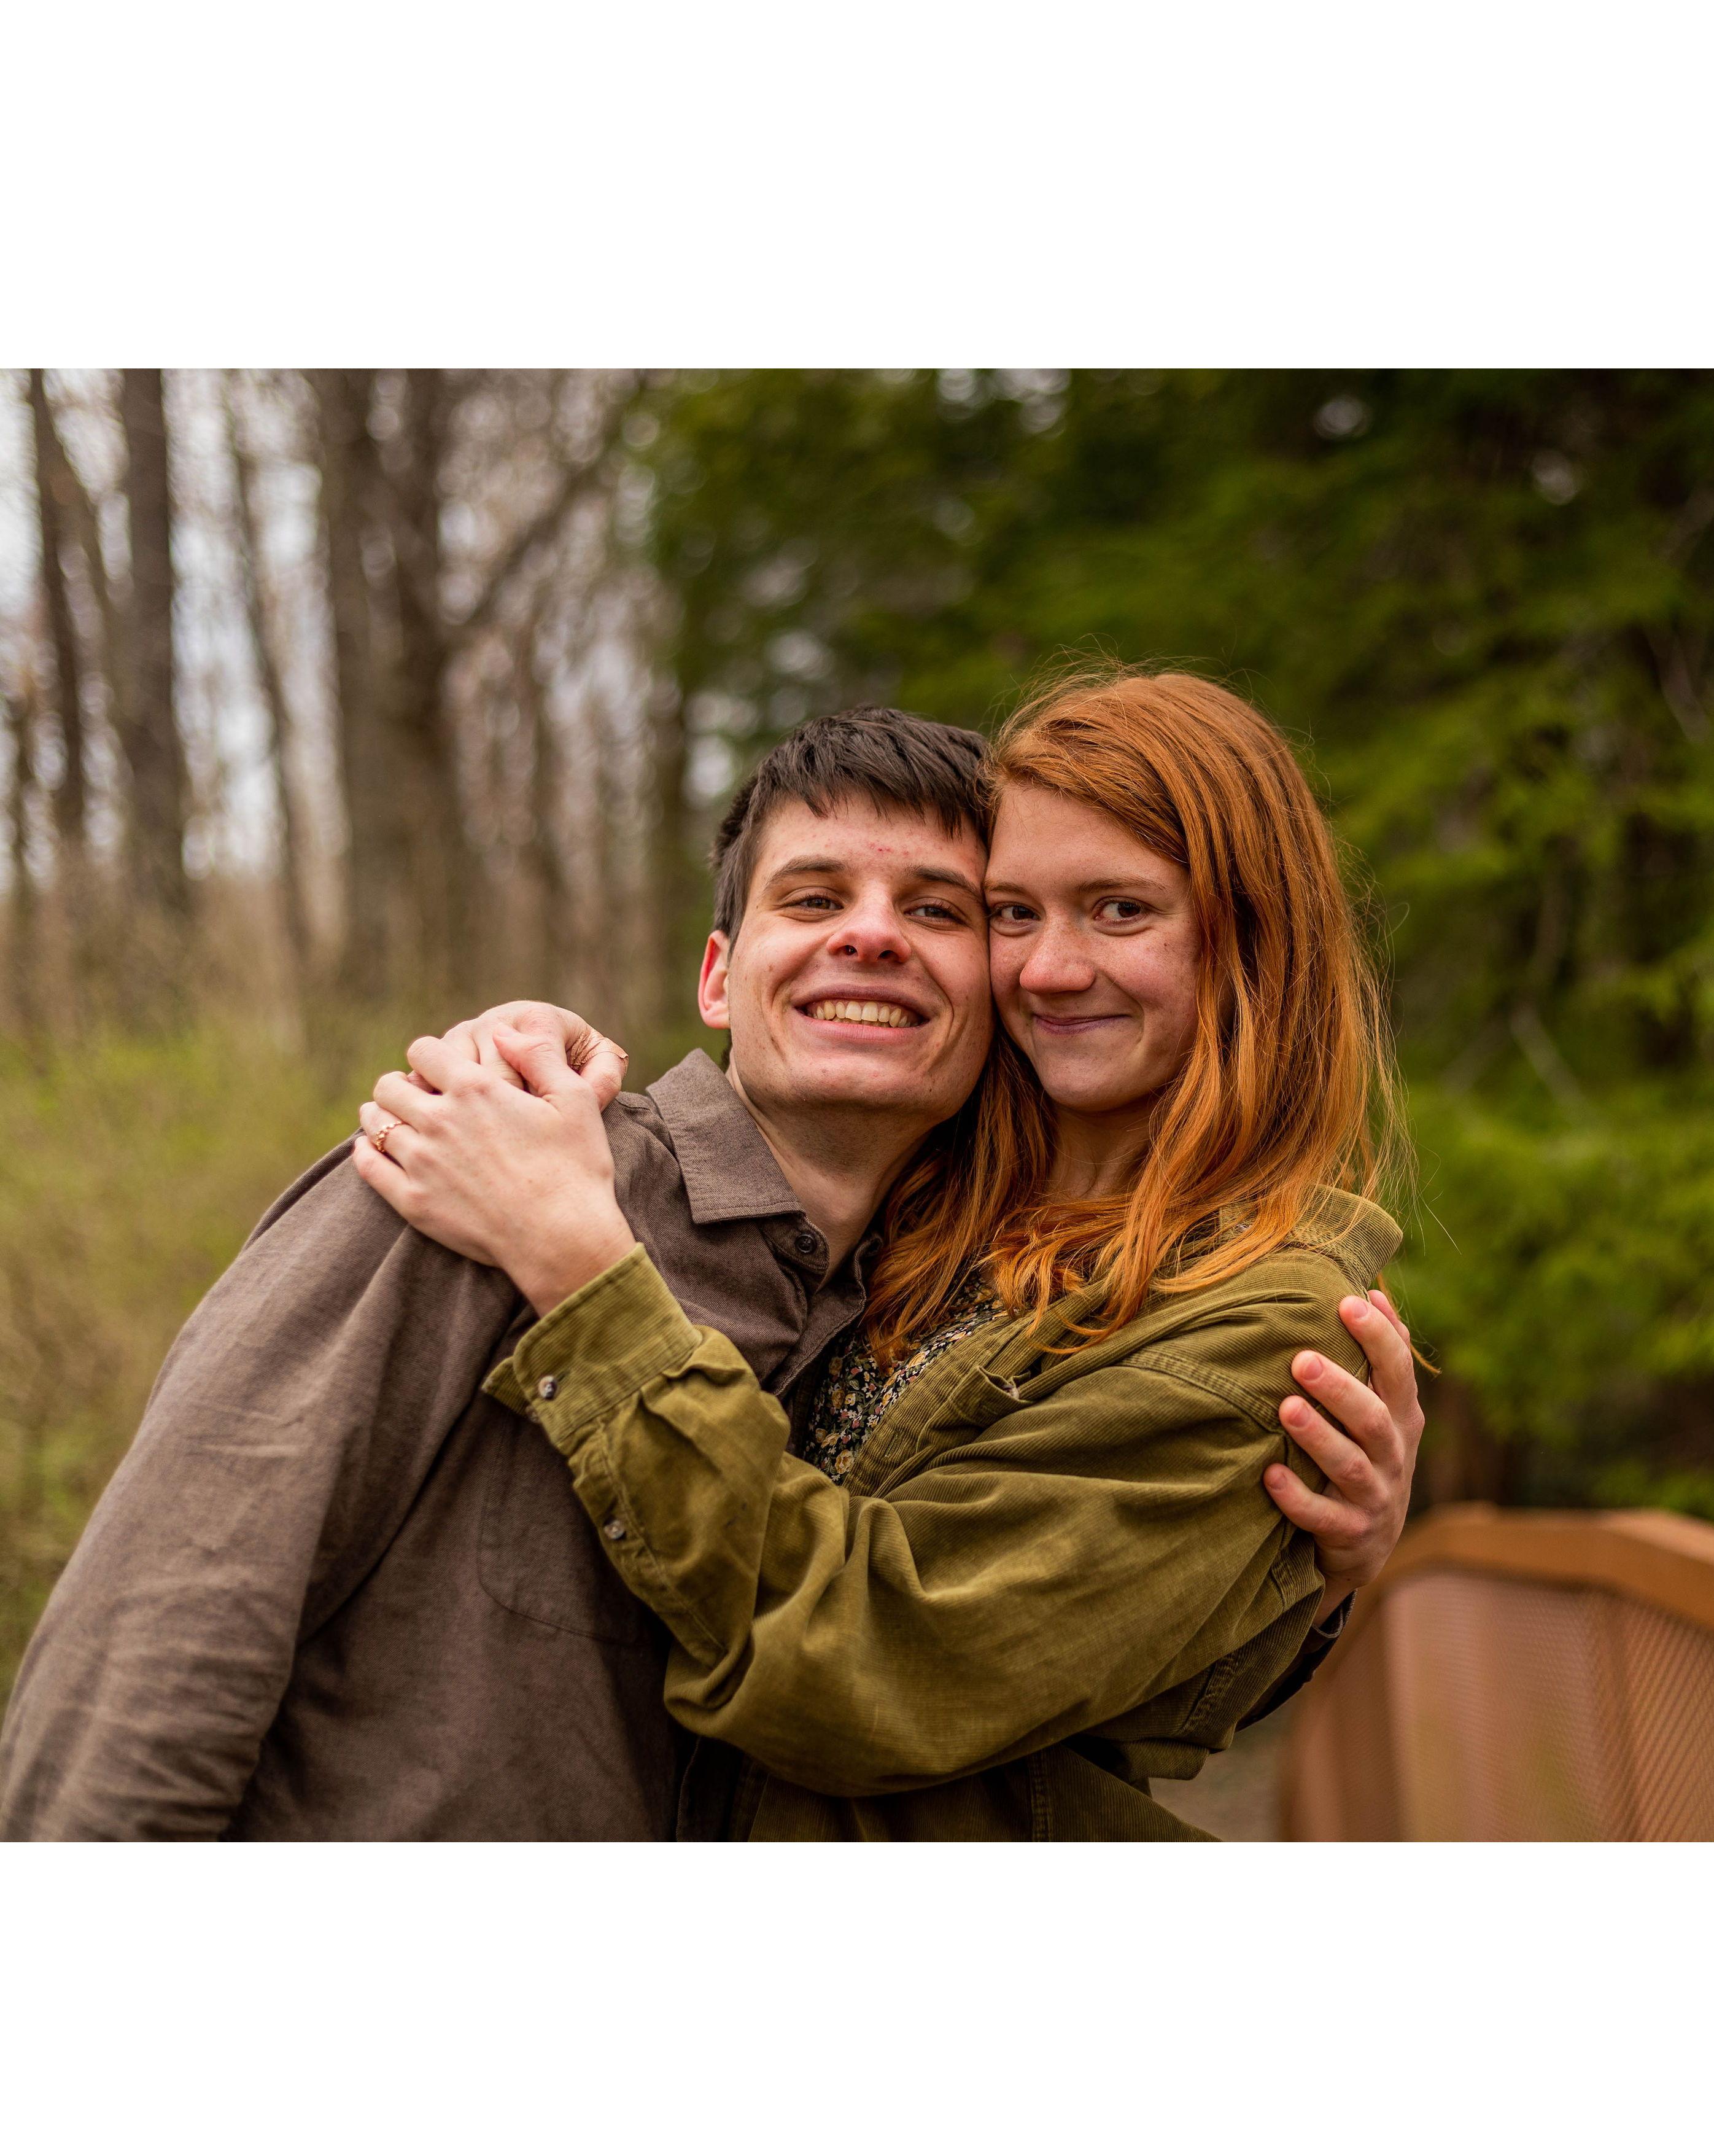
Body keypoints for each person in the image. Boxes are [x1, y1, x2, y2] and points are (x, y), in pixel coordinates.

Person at [0, 704, 1414, 1841]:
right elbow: (162, 1642)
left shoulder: (949, 1290)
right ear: (717, 979)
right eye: (816, 896)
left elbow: (973, 1654)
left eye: (939, 910)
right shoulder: (484, 1168)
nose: (873, 934)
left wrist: (1296, 1572)